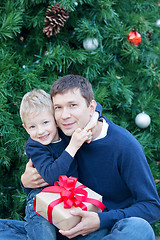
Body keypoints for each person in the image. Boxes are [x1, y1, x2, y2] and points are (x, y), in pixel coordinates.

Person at [19, 89, 94, 240]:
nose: (40, 131)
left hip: (68, 194)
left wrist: (86, 133)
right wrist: (73, 146)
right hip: (40, 197)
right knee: (42, 232)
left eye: (45, 122)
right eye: (32, 127)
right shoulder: (35, 145)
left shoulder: (65, 134)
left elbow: (94, 111)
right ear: (25, 128)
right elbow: (51, 176)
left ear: (55, 119)